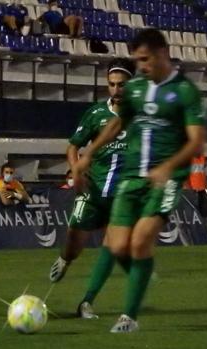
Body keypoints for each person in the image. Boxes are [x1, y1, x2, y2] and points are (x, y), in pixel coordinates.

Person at [72, 28, 207, 332]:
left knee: (140, 241)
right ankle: (143, 272)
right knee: (118, 246)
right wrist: (89, 153)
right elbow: (118, 123)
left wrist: (168, 167)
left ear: (162, 53)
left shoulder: (185, 92)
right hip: (132, 177)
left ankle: (129, 317)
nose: (141, 66)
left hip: (167, 178)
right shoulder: (135, 89)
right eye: (137, 60)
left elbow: (197, 142)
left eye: (145, 59)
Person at [48, 58, 135, 320]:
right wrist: (76, 171)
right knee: (74, 245)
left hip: (124, 196)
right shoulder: (96, 114)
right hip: (93, 190)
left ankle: (86, 302)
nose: (116, 89)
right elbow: (73, 146)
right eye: (111, 84)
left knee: (112, 247)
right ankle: (65, 259)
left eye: (121, 84)